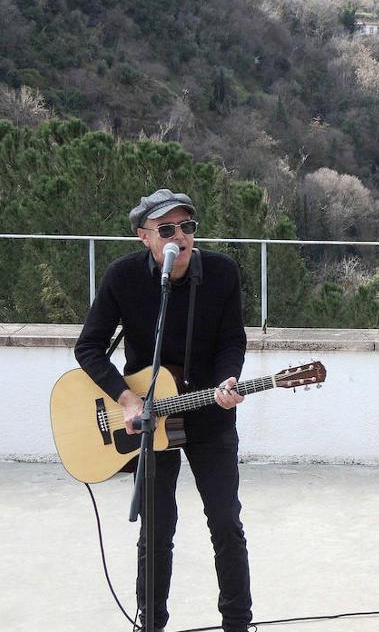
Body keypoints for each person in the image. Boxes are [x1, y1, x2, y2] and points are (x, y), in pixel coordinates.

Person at [74, 188, 251, 632]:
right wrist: (125, 397)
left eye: (187, 227)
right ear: (145, 237)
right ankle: (150, 623)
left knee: (226, 522)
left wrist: (229, 379)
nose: (180, 236)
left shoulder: (224, 273)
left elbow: (233, 339)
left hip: (210, 413)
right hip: (147, 418)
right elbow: (89, 347)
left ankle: (237, 622)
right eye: (167, 229)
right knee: (156, 531)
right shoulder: (123, 277)